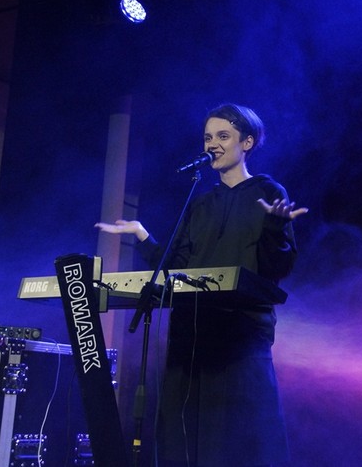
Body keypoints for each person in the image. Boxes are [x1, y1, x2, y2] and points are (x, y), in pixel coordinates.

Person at [96, 103, 307, 466]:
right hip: (191, 335)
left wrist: (275, 228)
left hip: (240, 335)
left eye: (223, 136)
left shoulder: (268, 191)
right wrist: (142, 236)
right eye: (208, 137)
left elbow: (279, 267)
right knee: (183, 438)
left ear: (247, 142)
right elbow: (176, 268)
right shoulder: (200, 203)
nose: (213, 144)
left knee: (242, 439)